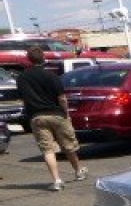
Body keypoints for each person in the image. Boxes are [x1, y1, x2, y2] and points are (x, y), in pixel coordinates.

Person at [15, 44, 86, 191]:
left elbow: (23, 98)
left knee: (47, 149)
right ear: (44, 58)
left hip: (37, 117)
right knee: (69, 145)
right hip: (56, 114)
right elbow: (62, 98)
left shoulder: (21, 79)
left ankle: (57, 180)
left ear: (29, 59)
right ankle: (78, 170)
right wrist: (66, 113)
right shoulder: (52, 76)